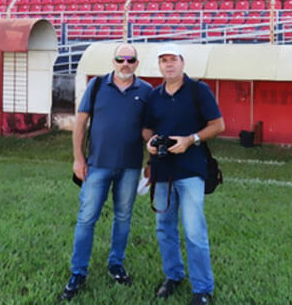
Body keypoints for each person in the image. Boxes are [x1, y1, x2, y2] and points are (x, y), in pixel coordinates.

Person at [60, 43, 152, 301]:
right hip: (97, 165)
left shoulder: (146, 91)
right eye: (120, 59)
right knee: (87, 218)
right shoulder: (97, 86)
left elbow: (149, 131)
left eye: (130, 60)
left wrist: (151, 161)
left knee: (123, 217)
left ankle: (116, 265)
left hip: (131, 167)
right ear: (113, 61)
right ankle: (78, 272)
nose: (125, 64)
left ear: (136, 63)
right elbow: (80, 123)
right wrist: (78, 158)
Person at [143, 43, 225, 305]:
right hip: (162, 171)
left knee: (193, 231)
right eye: (164, 60)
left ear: (182, 62)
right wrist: (151, 142)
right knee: (164, 228)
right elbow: (146, 129)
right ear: (159, 65)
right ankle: (173, 275)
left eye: (173, 59)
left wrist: (190, 140)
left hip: (190, 170)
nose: (169, 64)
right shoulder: (155, 96)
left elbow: (218, 125)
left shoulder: (198, 90)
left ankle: (202, 289)